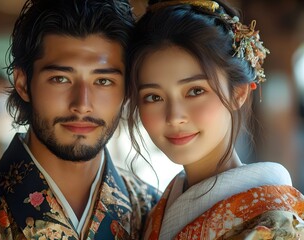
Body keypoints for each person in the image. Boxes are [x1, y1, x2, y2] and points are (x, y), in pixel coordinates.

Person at [0, 0, 160, 239]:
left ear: (127, 88)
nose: (82, 105)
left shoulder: (153, 212)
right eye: (61, 79)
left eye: (103, 81)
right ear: (23, 84)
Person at [126, 0, 304, 239]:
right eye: (153, 96)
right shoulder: (152, 211)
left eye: (195, 91)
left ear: (238, 93)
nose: (175, 116)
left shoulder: (274, 223)